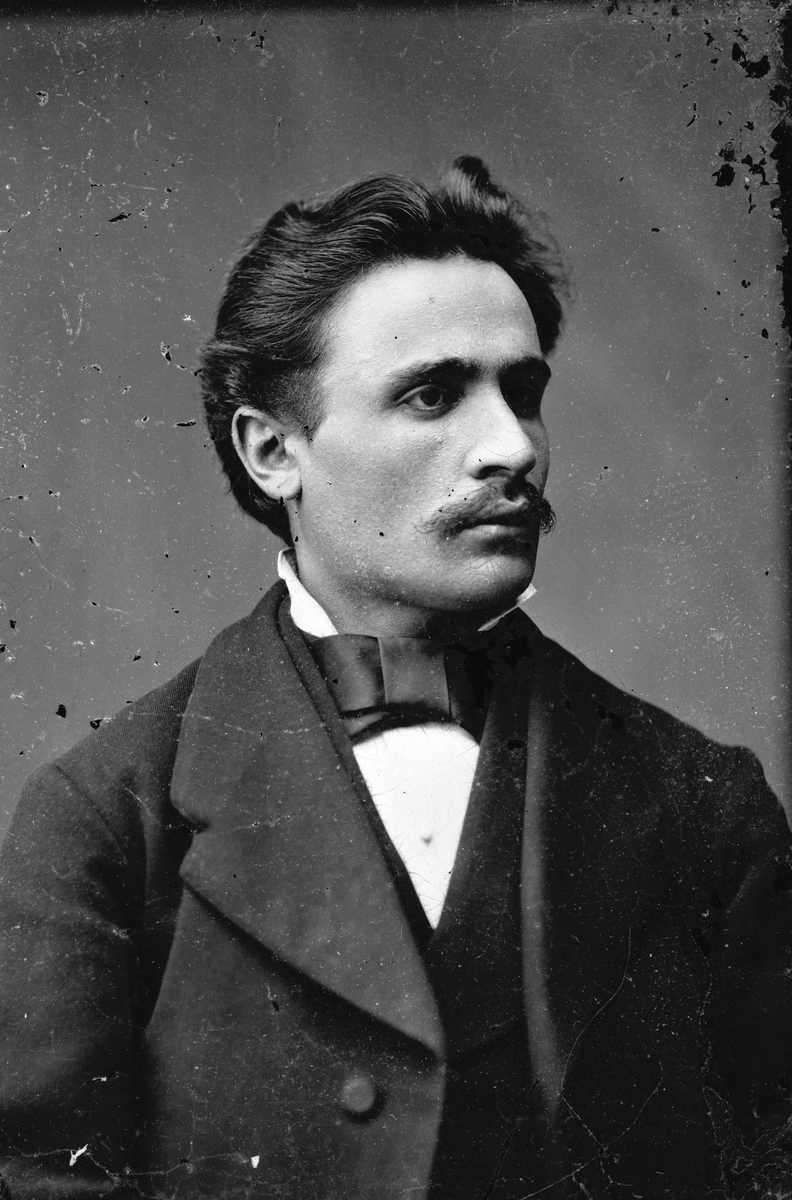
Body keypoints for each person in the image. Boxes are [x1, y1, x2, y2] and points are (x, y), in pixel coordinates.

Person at [0, 157, 790, 1200]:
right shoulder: (106, 819)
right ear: (273, 451)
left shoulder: (704, 804)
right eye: (432, 395)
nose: (511, 447)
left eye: (523, 394)